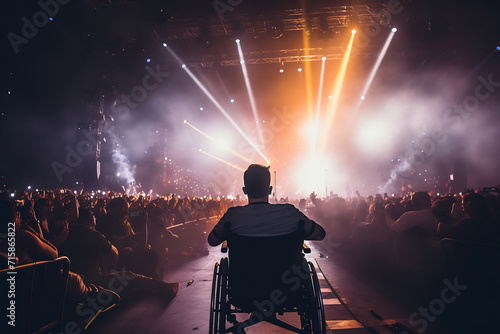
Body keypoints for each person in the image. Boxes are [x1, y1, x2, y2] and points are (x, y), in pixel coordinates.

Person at [208, 164, 326, 245]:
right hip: (286, 280)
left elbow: (212, 241)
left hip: (244, 280)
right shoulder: (290, 213)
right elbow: (320, 234)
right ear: (270, 190)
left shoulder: (232, 216)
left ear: (244, 190)